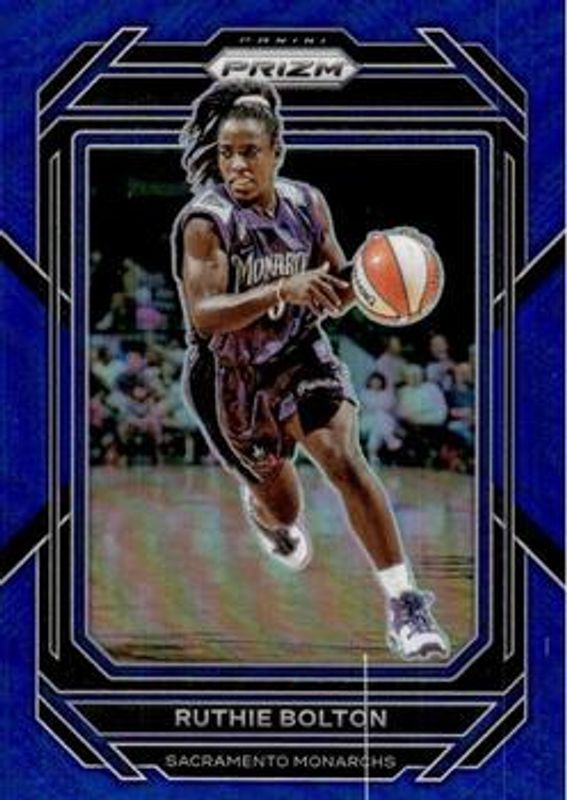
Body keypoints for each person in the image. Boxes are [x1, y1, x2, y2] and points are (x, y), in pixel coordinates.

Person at [170, 79, 449, 660]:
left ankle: (405, 605)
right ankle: (265, 513)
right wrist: (282, 288)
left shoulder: (306, 204)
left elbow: (335, 291)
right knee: (285, 506)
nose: (236, 165)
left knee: (342, 457)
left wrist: (379, 266)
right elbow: (204, 314)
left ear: (276, 152)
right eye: (226, 153)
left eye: (249, 151)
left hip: (299, 353)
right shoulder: (206, 222)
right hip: (229, 377)